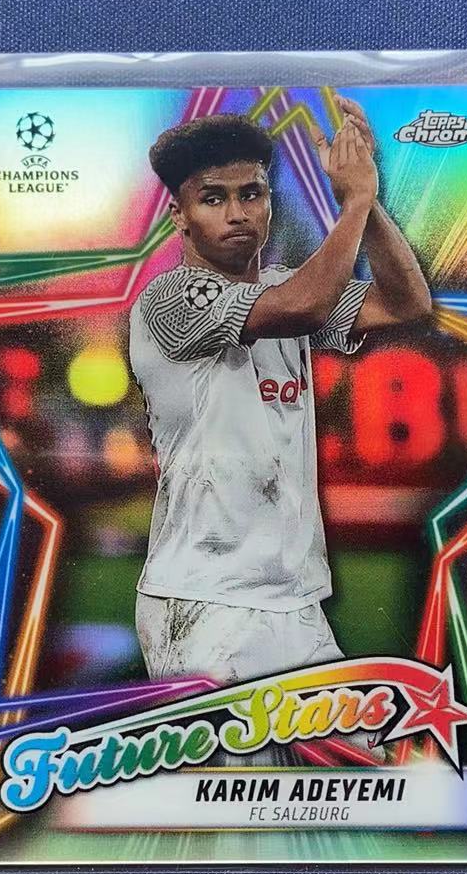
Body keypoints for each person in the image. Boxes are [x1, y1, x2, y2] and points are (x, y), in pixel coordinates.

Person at [128, 97, 432, 688]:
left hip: (297, 599)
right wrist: (353, 203)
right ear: (179, 216)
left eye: (252, 194)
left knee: (350, 749)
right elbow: (303, 306)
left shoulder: (282, 287)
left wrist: (367, 203)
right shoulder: (169, 299)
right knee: (238, 757)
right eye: (213, 198)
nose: (237, 213)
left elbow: (406, 303)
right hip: (206, 601)